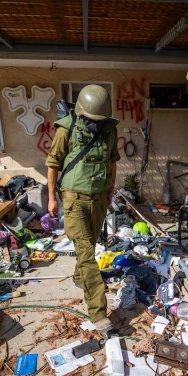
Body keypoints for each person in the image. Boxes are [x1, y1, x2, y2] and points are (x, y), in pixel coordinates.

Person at [45, 85, 120, 333]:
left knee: (90, 245)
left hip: (99, 199)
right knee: (87, 253)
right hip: (74, 200)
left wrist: (110, 190)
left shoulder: (109, 130)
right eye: (92, 118)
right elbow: (53, 163)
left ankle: (80, 278)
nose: (96, 123)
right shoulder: (66, 128)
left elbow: (112, 161)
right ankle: (98, 312)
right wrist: (51, 198)